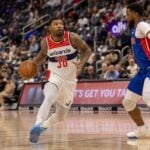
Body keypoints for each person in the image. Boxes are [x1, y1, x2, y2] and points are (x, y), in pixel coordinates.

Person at [29, 17, 92, 143]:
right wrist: (31, 65)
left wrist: (81, 63)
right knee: (50, 96)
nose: (59, 26)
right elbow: (42, 55)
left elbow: (87, 51)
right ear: (50, 28)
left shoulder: (72, 37)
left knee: (60, 116)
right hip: (54, 76)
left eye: (61, 23)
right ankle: (37, 124)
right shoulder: (45, 42)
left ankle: (40, 128)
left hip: (70, 81)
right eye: (56, 24)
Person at [122, 3, 150, 139]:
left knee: (148, 95)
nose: (126, 17)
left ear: (135, 13)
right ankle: (142, 129)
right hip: (143, 71)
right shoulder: (134, 29)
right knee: (127, 101)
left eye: (128, 14)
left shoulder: (142, 25)